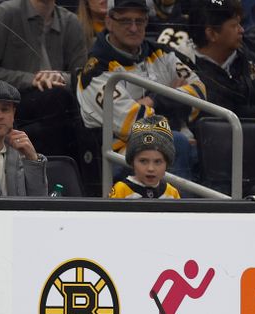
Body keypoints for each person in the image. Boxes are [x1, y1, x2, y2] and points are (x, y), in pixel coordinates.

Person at [77, 0, 206, 180]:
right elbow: (137, 125)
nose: (133, 28)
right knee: (176, 142)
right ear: (109, 22)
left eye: (140, 21)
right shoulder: (95, 72)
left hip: (175, 145)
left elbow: (200, 93)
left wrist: (153, 101)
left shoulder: (162, 54)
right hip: (121, 160)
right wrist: (175, 99)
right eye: (125, 21)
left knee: (214, 145)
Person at [0, 0, 87, 157]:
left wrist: (60, 77)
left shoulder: (71, 22)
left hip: (59, 102)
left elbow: (83, 76)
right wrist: (31, 80)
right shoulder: (5, 13)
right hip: (14, 102)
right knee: (58, 98)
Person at [191, 0, 255, 122]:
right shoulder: (188, 69)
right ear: (212, 34)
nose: (242, 30)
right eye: (235, 25)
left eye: (240, 24)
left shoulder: (251, 58)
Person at [0, 80, 49, 196]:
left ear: (13, 114)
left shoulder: (21, 153)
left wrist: (33, 159)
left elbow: (40, 205)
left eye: (5, 109)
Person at [109, 115, 181, 198]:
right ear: (132, 162)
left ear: (167, 163)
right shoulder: (121, 190)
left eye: (157, 162)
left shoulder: (172, 192)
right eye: (143, 161)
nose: (150, 168)